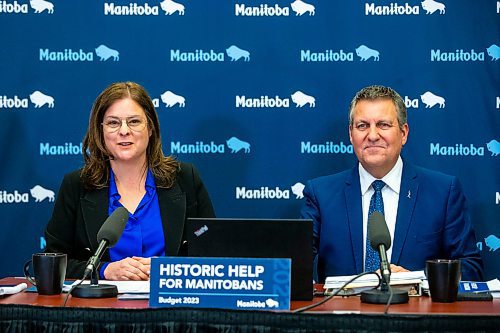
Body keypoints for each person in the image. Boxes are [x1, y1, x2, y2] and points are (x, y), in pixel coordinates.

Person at [301, 85, 483, 282]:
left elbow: (471, 267)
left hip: (415, 311)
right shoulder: (320, 194)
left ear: (404, 133)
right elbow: (293, 265)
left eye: (383, 125)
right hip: (344, 311)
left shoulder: (443, 192)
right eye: (362, 126)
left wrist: (417, 278)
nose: (372, 135)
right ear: (351, 134)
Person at [44, 81, 215, 280]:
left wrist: (168, 268)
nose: (124, 131)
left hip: (171, 305)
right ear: (100, 131)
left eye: (134, 121)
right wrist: (103, 270)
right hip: (100, 307)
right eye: (113, 123)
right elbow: (52, 261)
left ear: (150, 128)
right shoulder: (76, 185)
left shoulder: (185, 179)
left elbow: (212, 251)